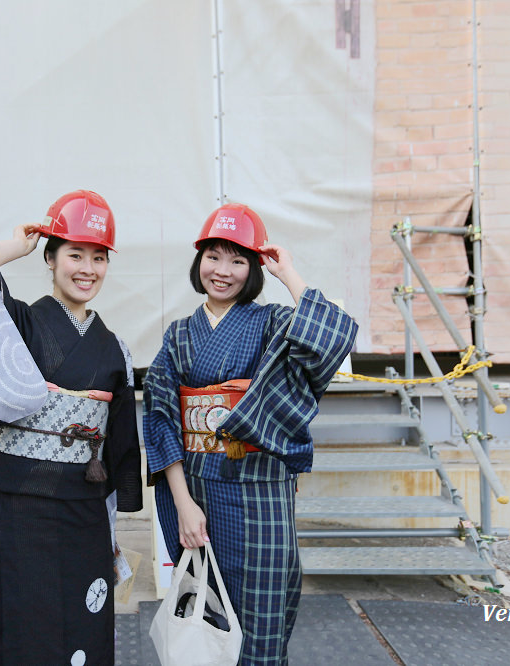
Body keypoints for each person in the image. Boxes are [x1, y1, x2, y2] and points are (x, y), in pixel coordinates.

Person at [143, 203, 358, 664]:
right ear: (199, 259)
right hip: (200, 493)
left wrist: (290, 274)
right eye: (213, 256)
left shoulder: (273, 322)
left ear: (254, 268)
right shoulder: (179, 334)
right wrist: (183, 504)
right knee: (208, 612)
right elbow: (161, 419)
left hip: (262, 493)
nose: (222, 271)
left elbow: (334, 337)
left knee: (265, 611)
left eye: (238, 260)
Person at [0, 190, 142, 666]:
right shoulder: (18, 324)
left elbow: (116, 451)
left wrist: (112, 526)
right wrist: (17, 245)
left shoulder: (115, 351)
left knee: (83, 635)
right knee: (19, 636)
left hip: (82, 514)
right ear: (50, 259)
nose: (87, 269)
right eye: (74, 255)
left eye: (98, 257)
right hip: (11, 509)